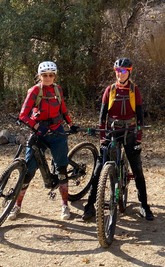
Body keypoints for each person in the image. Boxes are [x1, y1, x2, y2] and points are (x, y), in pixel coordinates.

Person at [82, 58, 154, 221]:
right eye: (117, 71)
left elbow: (140, 117)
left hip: (129, 132)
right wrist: (102, 139)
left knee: (137, 170)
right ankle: (90, 206)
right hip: (111, 132)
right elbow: (102, 117)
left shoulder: (135, 90)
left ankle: (144, 206)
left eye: (123, 71)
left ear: (129, 72)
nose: (119, 74)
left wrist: (138, 140)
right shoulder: (110, 89)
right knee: (99, 169)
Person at [8, 61, 79, 221]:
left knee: (61, 169)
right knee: (28, 171)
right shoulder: (35, 90)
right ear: (40, 76)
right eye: (45, 75)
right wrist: (36, 126)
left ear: (55, 76)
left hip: (56, 131)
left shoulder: (57, 89)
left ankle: (65, 205)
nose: (48, 78)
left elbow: (63, 109)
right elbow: (23, 115)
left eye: (51, 75)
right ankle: (16, 205)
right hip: (38, 133)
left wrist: (71, 124)